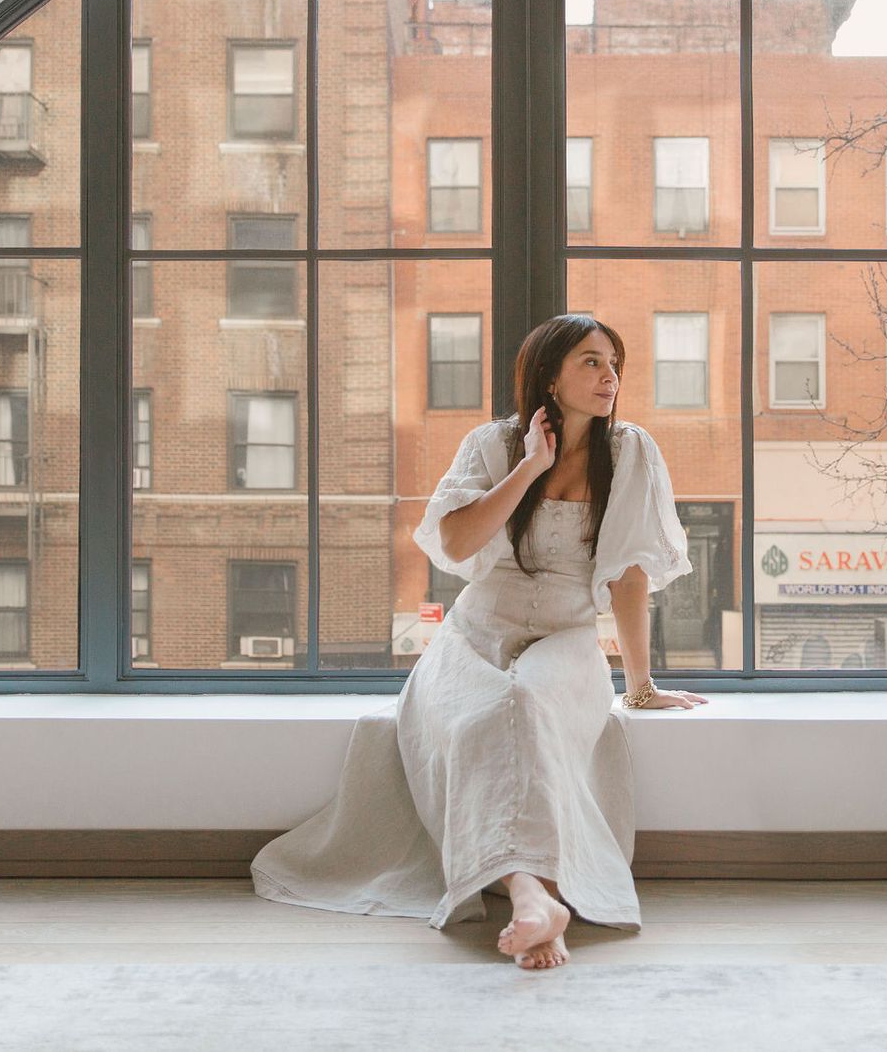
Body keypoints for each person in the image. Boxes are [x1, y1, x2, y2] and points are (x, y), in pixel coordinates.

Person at [250, 314, 708, 970]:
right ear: (549, 375)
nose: (610, 376)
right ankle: (537, 898)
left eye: (614, 363)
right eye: (591, 361)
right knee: (486, 711)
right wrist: (529, 467)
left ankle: (533, 897)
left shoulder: (631, 452)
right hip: (475, 633)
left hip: (566, 636)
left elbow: (630, 578)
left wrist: (640, 687)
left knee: (525, 703)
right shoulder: (492, 444)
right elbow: (459, 542)